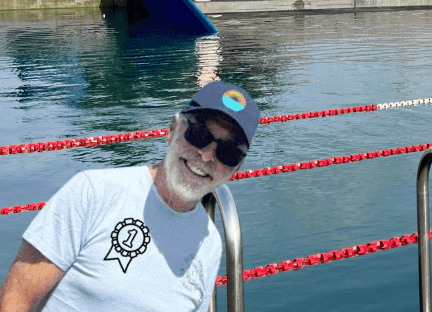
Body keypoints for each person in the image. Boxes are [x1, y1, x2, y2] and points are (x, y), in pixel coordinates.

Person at [0, 81, 261, 312]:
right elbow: (16, 298)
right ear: (172, 130)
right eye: (199, 135)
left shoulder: (210, 245)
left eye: (227, 152)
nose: (206, 156)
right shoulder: (93, 192)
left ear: (235, 169)